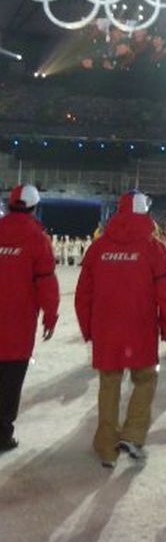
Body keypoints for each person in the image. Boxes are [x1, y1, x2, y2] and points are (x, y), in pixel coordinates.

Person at [74, 191, 166, 467]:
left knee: (109, 385)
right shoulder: (154, 247)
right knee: (145, 380)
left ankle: (107, 446)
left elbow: (83, 293)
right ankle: (133, 432)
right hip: (140, 328)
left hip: (107, 329)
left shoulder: (98, 247)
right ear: (145, 214)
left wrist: (88, 329)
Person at [0, 185, 59, 453]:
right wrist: (50, 315)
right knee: (10, 381)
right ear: (35, 207)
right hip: (18, 325)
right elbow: (46, 282)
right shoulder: (38, 238)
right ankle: (2, 435)